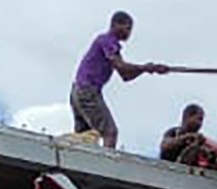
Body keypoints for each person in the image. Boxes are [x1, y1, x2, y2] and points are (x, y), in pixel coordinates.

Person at [70, 11, 167, 148]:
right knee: (110, 132)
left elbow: (126, 76)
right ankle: (104, 161)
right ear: (116, 24)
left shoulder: (110, 46)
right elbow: (122, 67)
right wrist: (146, 67)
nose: (129, 33)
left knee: (85, 137)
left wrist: (147, 69)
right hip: (87, 91)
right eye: (128, 28)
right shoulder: (107, 40)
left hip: (79, 91)